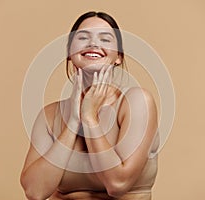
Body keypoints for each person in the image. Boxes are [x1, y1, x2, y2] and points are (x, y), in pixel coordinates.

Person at [20, 11, 159, 200]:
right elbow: (34, 192)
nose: (93, 44)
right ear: (70, 52)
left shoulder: (136, 102)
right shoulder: (50, 115)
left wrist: (89, 118)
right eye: (83, 37)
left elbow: (117, 184)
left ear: (118, 56)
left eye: (105, 39)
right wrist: (73, 121)